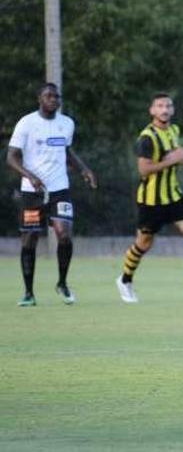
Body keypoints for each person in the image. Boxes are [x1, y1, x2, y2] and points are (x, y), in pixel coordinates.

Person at [114, 92, 183, 303]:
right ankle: (125, 280)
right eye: (159, 106)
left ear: (172, 110)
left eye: (168, 106)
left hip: (173, 195)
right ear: (152, 110)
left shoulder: (173, 130)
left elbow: (173, 155)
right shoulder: (147, 138)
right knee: (144, 243)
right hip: (151, 201)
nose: (164, 110)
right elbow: (144, 170)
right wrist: (173, 160)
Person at [6, 83, 97, 306]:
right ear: (40, 98)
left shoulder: (66, 124)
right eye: (48, 96)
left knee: (64, 235)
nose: (53, 100)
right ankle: (28, 293)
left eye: (56, 96)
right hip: (32, 193)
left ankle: (63, 284)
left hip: (59, 189)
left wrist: (84, 170)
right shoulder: (27, 123)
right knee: (30, 241)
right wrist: (29, 176)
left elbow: (66, 151)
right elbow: (11, 157)